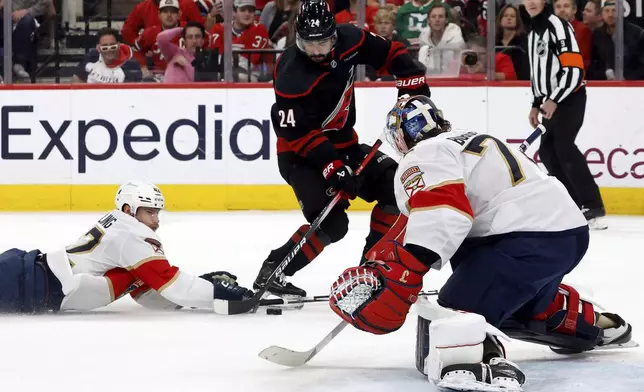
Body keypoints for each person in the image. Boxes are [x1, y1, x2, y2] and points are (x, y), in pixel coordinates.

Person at [329, 95, 634, 392]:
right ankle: (577, 317)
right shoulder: (468, 138)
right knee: (511, 305)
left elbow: (444, 212)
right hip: (565, 235)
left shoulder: (423, 154)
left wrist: (407, 270)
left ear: (400, 138)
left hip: (522, 239)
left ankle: (483, 363)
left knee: (456, 314)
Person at [252, 0, 430, 299]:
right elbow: (297, 132)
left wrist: (412, 84)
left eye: (324, 42)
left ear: (334, 35)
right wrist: (331, 166)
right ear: (299, 39)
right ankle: (274, 270)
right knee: (333, 223)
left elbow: (392, 52)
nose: (319, 51)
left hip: (346, 143)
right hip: (301, 155)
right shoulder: (290, 73)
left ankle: (372, 268)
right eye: (311, 44)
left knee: (394, 188)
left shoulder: (350, 38)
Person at [0, 181, 252, 313]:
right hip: (32, 284)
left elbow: (149, 294)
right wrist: (217, 291)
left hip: (31, 275)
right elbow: (171, 283)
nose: (155, 220)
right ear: (129, 210)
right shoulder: (133, 235)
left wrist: (200, 289)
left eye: (157, 212)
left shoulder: (120, 226)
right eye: (149, 212)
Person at [524, 0, 606, 229]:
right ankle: (573, 203)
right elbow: (538, 73)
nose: (530, 2)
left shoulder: (557, 25)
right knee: (548, 152)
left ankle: (593, 205)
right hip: (551, 101)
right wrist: (536, 103)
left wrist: (554, 99)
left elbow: (574, 68)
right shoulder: (533, 31)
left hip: (570, 97)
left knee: (564, 146)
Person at [72, 27, 143, 84]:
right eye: (105, 47)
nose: (109, 50)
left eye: (112, 46)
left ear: (118, 45)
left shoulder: (130, 65)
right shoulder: (92, 56)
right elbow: (77, 77)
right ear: (98, 48)